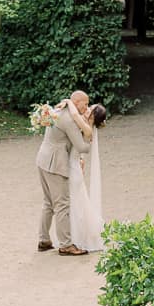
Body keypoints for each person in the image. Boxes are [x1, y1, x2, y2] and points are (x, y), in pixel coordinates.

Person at [35, 88, 90, 255]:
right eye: (85, 104)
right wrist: (91, 143)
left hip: (42, 159)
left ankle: (44, 240)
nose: (86, 107)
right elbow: (81, 146)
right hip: (56, 164)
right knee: (62, 205)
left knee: (48, 203)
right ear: (77, 102)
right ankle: (66, 245)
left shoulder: (58, 110)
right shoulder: (69, 120)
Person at [66, 99, 107, 254]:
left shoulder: (86, 128)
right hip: (74, 167)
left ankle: (76, 240)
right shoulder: (86, 128)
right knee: (78, 205)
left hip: (72, 170)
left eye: (90, 108)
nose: (87, 108)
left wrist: (69, 102)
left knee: (76, 206)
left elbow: (75, 116)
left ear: (92, 117)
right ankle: (74, 238)